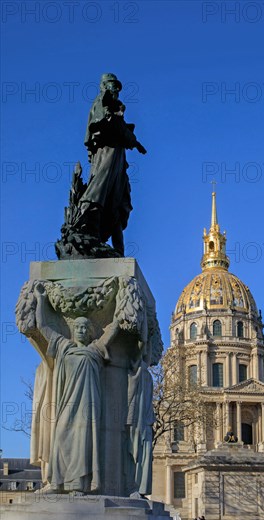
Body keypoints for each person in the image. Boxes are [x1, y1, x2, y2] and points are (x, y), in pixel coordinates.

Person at [34, 282, 120, 493]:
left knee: (83, 444)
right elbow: (43, 327)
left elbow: (114, 327)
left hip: (88, 406)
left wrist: (121, 297)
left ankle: (78, 485)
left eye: (85, 328)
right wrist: (41, 300)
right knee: (61, 437)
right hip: (67, 403)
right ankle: (56, 482)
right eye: (78, 327)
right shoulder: (64, 346)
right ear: (73, 331)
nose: (81, 330)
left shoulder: (95, 349)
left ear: (91, 332)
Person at [80, 73, 146, 255]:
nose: (116, 89)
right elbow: (102, 124)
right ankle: (88, 226)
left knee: (118, 199)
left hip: (117, 158)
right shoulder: (102, 102)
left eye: (117, 86)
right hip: (106, 155)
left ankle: (118, 249)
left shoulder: (114, 107)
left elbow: (121, 129)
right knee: (100, 188)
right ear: (104, 86)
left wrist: (134, 141)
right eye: (112, 85)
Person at [127, 343, 155, 497]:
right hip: (138, 422)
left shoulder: (146, 375)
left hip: (144, 422)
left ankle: (139, 488)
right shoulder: (140, 373)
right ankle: (135, 487)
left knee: (143, 453)